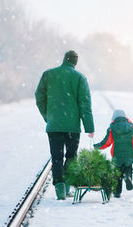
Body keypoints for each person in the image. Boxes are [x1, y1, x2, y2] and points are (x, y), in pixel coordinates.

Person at [35, 50, 94, 200]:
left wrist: (47, 115)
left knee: (56, 157)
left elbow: (39, 96)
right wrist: (89, 127)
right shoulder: (80, 78)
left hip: (54, 125)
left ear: (64, 59)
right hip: (72, 127)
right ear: (75, 62)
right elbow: (85, 104)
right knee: (71, 156)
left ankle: (59, 190)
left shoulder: (48, 75)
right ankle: (67, 186)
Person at [94, 110, 133, 198]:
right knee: (128, 168)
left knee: (117, 173)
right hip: (129, 154)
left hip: (117, 154)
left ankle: (117, 192)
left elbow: (107, 142)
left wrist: (98, 146)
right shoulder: (132, 127)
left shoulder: (112, 128)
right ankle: (127, 176)